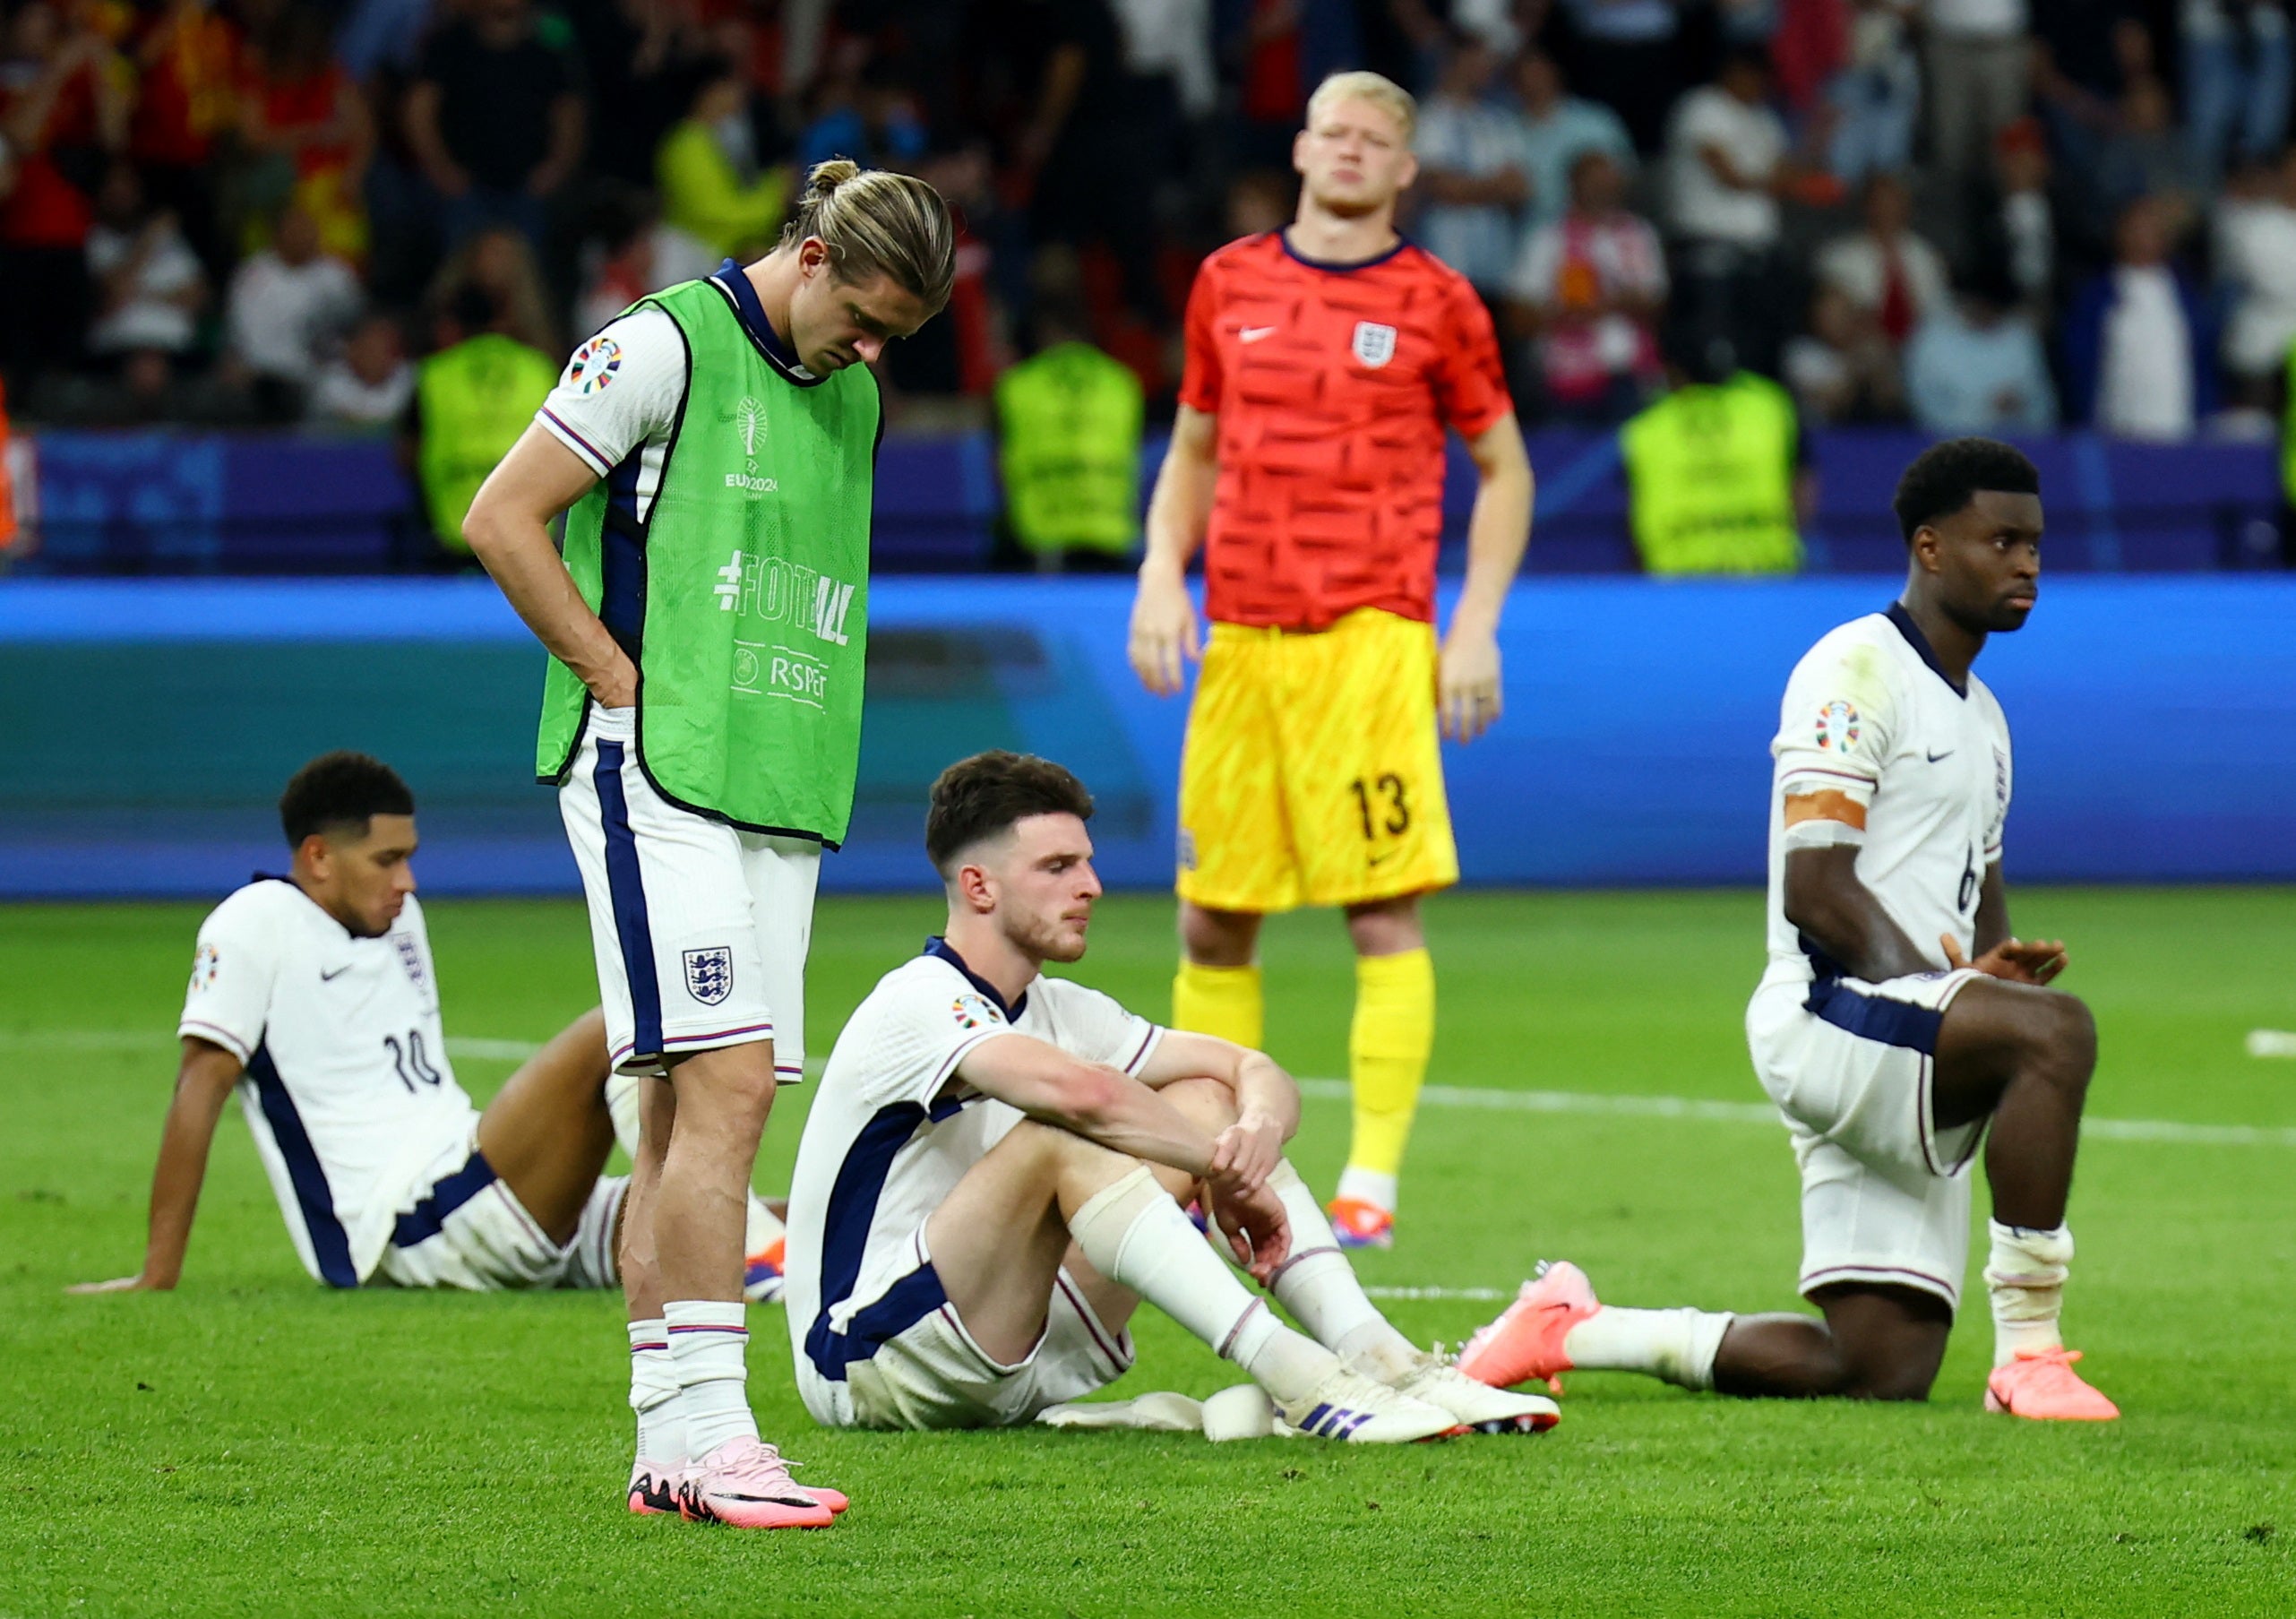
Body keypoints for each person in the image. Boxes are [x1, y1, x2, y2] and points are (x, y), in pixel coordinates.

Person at [460, 160, 954, 1530]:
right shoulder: (661, 344)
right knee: (729, 1086)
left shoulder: (845, 393)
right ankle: (717, 1428)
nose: (870, 351)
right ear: (808, 253)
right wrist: (612, 677)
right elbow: (501, 516)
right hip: (655, 769)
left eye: (894, 337)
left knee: (689, 1106)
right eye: (862, 316)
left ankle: (668, 1441)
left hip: (773, 778)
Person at [1461, 438, 2120, 1424]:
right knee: (2057, 1031)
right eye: (2002, 541)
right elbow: (1816, 891)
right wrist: (1952, 997)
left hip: (1899, 1026)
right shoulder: (1852, 668)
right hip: (1827, 1012)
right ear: (1931, 548)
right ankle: (2028, 1354)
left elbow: (1976, 891)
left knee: (1873, 1367)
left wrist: (1985, 977)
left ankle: (1571, 1328)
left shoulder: (1985, 718)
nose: (2026, 563)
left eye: (2034, 543)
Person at [782, 750, 1559, 1442]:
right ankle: (1306, 1379)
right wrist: (1225, 1171)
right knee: (1063, 1135)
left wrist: (1248, 1130)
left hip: (1011, 1341)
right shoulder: (917, 999)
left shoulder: (1064, 1007)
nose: (1091, 885)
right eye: (1056, 867)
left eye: (1085, 862)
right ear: (978, 885)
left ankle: (1381, 1358)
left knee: (1201, 1096)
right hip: (868, 1359)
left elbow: (1253, 1068)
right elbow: (1079, 1096)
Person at [1127, 71, 1535, 1253]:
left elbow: (1502, 469)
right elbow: (1194, 444)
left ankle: (1368, 1183)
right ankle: (1213, 1167)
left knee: (1379, 909)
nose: (1350, 151)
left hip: (1368, 638)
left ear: (1404, 169)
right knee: (1212, 923)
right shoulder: (1226, 281)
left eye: (1376, 140)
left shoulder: (1438, 301)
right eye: (1333, 132)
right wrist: (1163, 567)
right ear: (1300, 146)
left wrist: (1473, 625)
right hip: (1242, 640)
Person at [66, 753, 628, 1296]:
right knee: (621, 1025)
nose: (406, 880)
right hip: (409, 1222)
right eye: (386, 860)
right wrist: (158, 1274)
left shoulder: (401, 918)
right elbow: (198, 1088)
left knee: (705, 1219)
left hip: (476, 1178)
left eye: (409, 857)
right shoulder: (253, 923)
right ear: (318, 858)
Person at [1622, 327, 1812, 573]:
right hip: (1766, 573)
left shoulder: (1648, 425)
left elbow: (1634, 513)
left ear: (1673, 371)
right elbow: (1804, 487)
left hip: (1676, 583)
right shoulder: (1770, 407)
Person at [993, 292, 1143, 571]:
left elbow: (999, 465)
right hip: (1112, 536)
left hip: (1042, 541)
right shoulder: (1123, 382)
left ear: (1043, 331)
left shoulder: (1016, 384)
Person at [409, 286, 557, 556]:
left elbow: (406, 450)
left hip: (452, 537)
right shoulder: (540, 368)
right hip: (532, 539)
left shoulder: (434, 375)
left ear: (452, 326)